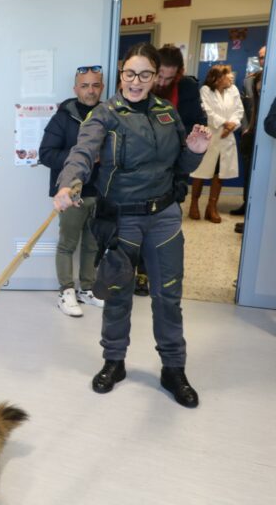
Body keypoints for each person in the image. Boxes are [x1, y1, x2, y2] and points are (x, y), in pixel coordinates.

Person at [54, 43, 211, 408]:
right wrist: (68, 182)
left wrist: (197, 150)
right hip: (122, 218)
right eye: (129, 73)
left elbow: (181, 166)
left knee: (168, 297)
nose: (136, 82)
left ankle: (173, 368)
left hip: (164, 217)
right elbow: (82, 151)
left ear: (156, 77)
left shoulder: (167, 112)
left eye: (144, 74)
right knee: (118, 295)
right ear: (121, 74)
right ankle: (114, 361)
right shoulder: (106, 114)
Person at [128, 44, 210, 296]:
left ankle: (155, 272)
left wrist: (191, 140)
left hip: (174, 165)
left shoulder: (186, 88)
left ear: (178, 74)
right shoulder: (138, 89)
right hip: (141, 167)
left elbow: (197, 120)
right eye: (159, 76)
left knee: (164, 222)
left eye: (168, 77)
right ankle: (138, 272)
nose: (162, 82)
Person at [40, 65, 105, 317]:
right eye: (85, 85)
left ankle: (87, 289)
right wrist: (84, 156)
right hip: (71, 192)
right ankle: (66, 292)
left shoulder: (109, 115)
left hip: (99, 191)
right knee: (67, 244)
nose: (90, 91)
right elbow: (46, 154)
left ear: (102, 87)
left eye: (95, 85)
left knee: (92, 244)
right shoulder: (62, 117)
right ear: (75, 88)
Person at [189, 64, 244, 223]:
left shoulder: (233, 90)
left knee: (220, 173)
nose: (232, 77)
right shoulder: (206, 90)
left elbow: (238, 111)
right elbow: (208, 111)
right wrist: (225, 124)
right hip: (210, 135)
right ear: (218, 78)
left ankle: (211, 208)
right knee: (201, 170)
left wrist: (232, 125)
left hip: (227, 137)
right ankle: (194, 203)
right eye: (228, 75)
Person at [234, 45, 266, 233]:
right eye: (260, 57)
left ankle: (257, 214)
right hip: (251, 132)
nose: (262, 60)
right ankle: (247, 206)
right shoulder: (250, 81)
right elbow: (244, 107)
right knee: (249, 172)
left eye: (265, 56)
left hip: (269, 134)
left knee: (262, 174)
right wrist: (245, 128)